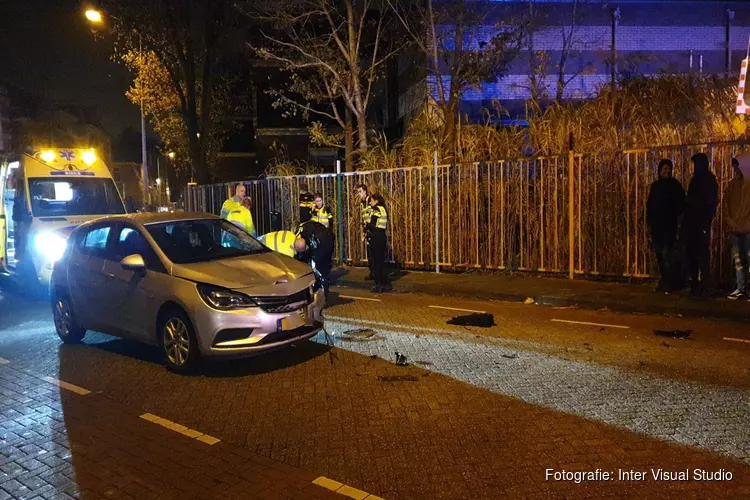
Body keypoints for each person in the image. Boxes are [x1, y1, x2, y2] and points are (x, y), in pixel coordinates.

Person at [682, 153, 718, 297]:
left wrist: (705, 223)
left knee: (700, 255)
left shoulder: (706, 181)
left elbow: (709, 205)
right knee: (694, 254)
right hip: (694, 224)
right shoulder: (699, 180)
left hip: (699, 224)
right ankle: (698, 285)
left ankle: (702, 285)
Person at [646, 159, 685, 292]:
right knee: (660, 255)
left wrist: (672, 214)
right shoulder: (655, 186)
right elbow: (650, 205)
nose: (667, 171)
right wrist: (650, 221)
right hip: (657, 228)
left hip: (669, 226)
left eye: (668, 169)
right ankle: (665, 280)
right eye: (664, 169)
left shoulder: (675, 186)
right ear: (660, 171)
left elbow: (681, 203)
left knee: (667, 255)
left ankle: (670, 282)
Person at [724, 157, 750, 299]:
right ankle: (741, 288)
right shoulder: (731, 185)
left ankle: (745, 288)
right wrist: (730, 222)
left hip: (746, 229)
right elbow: (726, 206)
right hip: (737, 229)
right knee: (738, 261)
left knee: (745, 259)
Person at [294, 220, 334, 297]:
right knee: (325, 265)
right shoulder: (311, 224)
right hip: (329, 238)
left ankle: (319, 290)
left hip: (320, 240)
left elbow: (299, 243)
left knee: (316, 266)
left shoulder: (301, 228)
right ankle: (324, 287)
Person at [367, 193, 391, 293]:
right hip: (382, 236)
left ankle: (378, 285)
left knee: (376, 261)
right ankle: (384, 283)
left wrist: (367, 225)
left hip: (376, 236)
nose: (370, 202)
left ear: (376, 201)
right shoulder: (383, 209)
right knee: (381, 261)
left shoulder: (376, 209)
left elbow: (372, 224)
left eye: (371, 200)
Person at [355, 183, 375, 280]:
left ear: (365, 191)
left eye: (360, 192)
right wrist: (363, 231)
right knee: (370, 252)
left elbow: (372, 216)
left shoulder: (369, 201)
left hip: (372, 230)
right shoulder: (363, 203)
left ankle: (375, 273)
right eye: (358, 192)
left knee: (373, 252)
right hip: (368, 230)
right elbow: (364, 218)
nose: (359, 194)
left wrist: (369, 228)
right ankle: (372, 272)